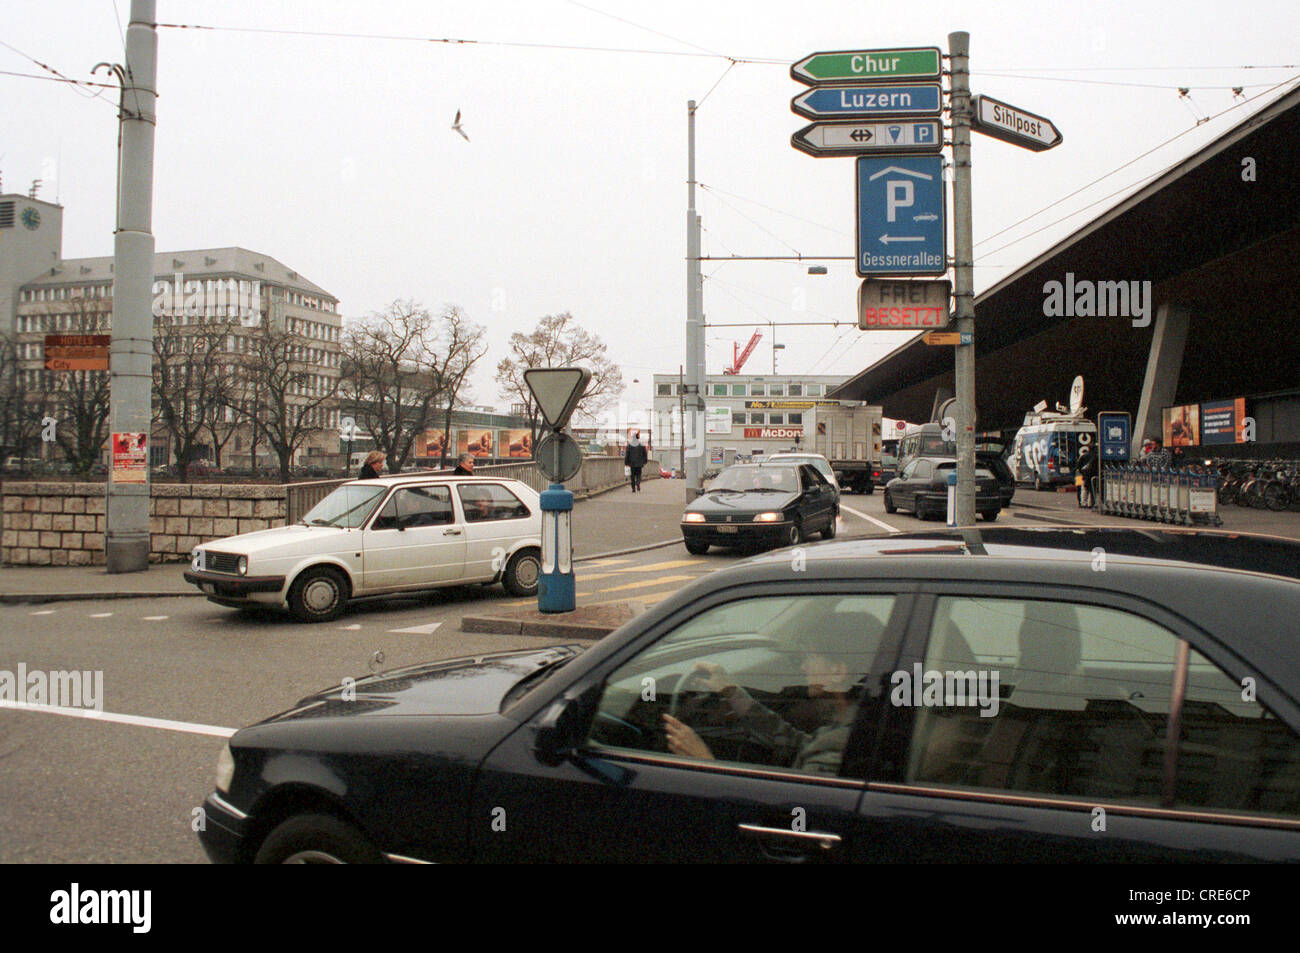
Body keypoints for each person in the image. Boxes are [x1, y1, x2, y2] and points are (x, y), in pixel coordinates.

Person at [661, 639, 861, 776]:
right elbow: (797, 743)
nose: (803, 667)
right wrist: (732, 692)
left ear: (837, 671)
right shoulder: (848, 721)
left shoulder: (839, 742)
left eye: (811, 658)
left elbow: (790, 805)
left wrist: (703, 760)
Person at [1076, 443, 1098, 508]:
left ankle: (1082, 503)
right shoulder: (1096, 456)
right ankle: (1090, 503)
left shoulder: (1083, 456)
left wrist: (1081, 473)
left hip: (1081, 475)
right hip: (1092, 475)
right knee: (1092, 490)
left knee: (1083, 489)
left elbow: (1078, 466)